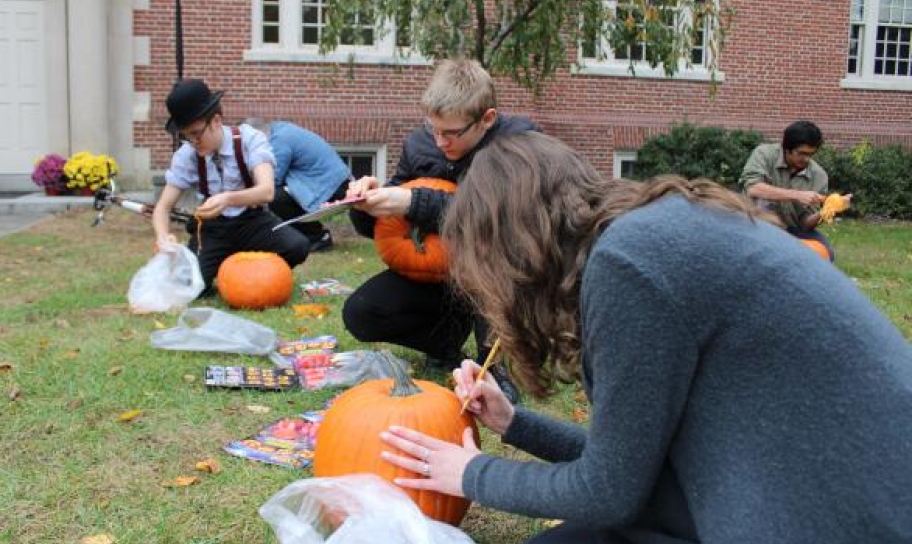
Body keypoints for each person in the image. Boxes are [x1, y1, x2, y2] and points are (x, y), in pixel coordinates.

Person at [377, 132, 912, 544]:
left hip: (844, 514)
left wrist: (474, 475)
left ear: (515, 248)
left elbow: (608, 494)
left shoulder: (630, 266)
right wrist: (514, 426)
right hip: (830, 490)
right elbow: (630, 467)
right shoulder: (648, 233)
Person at [343, 58, 538, 403]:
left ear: (487, 119)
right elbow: (395, 218)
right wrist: (366, 204)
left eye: (451, 133)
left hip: (496, 271)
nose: (440, 141)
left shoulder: (518, 143)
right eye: (433, 129)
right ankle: (445, 340)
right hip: (437, 272)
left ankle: (498, 365)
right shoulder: (421, 144)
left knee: (495, 272)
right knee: (360, 312)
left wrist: (411, 201)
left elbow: (494, 218)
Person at [153, 79, 309, 292]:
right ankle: (221, 264)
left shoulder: (249, 140)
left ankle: (257, 271)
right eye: (186, 136)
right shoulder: (187, 155)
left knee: (297, 247)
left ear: (216, 121)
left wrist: (228, 198)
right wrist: (163, 237)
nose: (193, 141)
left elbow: (267, 191)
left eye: (197, 133)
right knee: (188, 287)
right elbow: (163, 207)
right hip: (213, 229)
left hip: (252, 221)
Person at [740, 120, 851, 261]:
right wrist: (796, 195)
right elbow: (753, 188)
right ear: (787, 148)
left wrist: (828, 211)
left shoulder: (819, 175)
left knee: (825, 253)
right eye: (802, 153)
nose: (806, 159)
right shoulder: (764, 154)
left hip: (791, 229)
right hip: (755, 224)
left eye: (811, 154)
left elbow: (805, 224)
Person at [244, 119, 352, 252]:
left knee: (276, 198)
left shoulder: (279, 141)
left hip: (330, 186)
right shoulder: (282, 131)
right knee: (278, 196)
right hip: (331, 182)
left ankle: (318, 237)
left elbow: (271, 181)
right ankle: (305, 235)